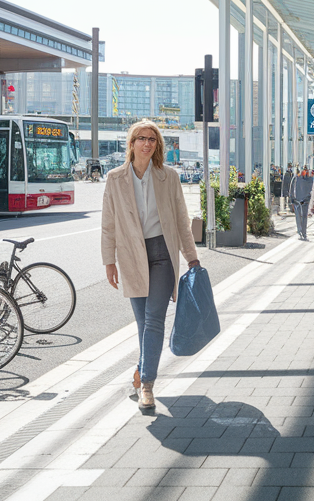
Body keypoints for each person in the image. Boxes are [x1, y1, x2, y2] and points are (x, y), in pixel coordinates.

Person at [101, 120, 201, 411]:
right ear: (131, 143)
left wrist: (191, 256)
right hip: (131, 256)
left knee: (155, 320)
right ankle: (143, 368)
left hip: (161, 254)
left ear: (158, 145)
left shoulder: (168, 177)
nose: (147, 143)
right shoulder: (114, 178)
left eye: (152, 139)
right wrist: (109, 261)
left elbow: (182, 220)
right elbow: (108, 225)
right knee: (143, 322)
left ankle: (147, 384)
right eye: (141, 138)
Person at [290, 166, 314, 242]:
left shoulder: (307, 179)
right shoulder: (298, 178)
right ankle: (301, 232)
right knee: (301, 217)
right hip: (298, 200)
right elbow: (291, 189)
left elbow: (312, 190)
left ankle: (302, 232)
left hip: (302, 201)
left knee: (302, 217)